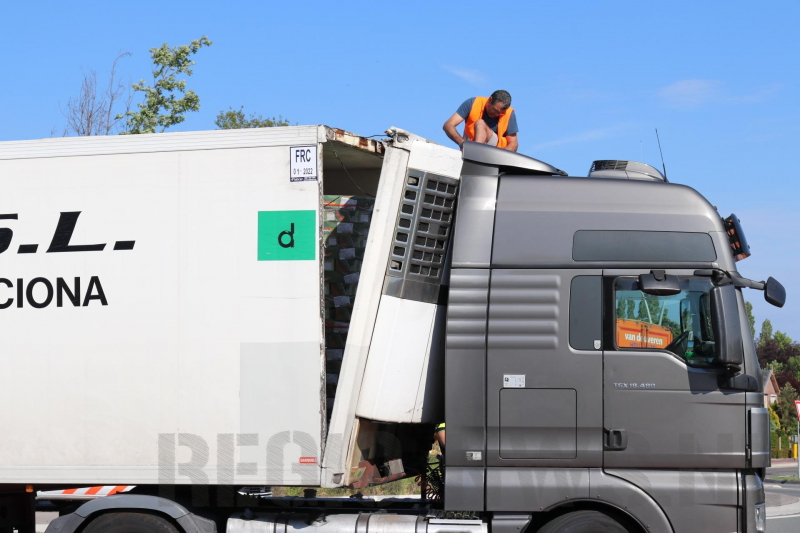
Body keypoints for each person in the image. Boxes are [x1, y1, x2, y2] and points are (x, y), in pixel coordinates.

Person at [443, 90, 519, 152]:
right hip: (470, 143)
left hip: (494, 148)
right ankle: (476, 151)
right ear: (490, 100)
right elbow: (448, 125)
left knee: (480, 123)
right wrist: (462, 142)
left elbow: (513, 144)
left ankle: (476, 152)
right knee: (480, 123)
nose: (496, 114)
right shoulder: (473, 103)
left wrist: (499, 156)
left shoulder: (509, 113)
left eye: (500, 113)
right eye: (495, 110)